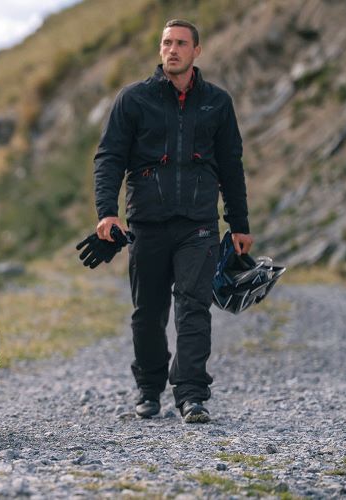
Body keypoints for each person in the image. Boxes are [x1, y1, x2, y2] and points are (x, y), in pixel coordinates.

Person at [92, 19, 254, 424]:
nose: (173, 49)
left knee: (193, 308)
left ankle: (192, 395)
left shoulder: (217, 103)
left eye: (181, 43)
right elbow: (109, 157)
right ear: (160, 49)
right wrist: (107, 212)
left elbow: (231, 166)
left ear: (197, 51)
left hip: (198, 225)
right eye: (167, 43)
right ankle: (149, 390)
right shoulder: (134, 99)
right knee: (148, 313)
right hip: (146, 224)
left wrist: (239, 223)